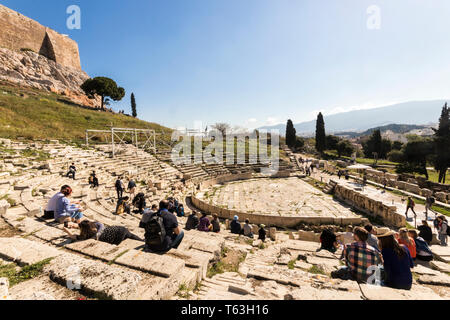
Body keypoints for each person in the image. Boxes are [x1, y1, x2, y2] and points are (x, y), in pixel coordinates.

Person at [68, 220, 143, 245]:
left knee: (129, 236)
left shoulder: (89, 236)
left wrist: (66, 230)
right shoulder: (95, 225)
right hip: (120, 229)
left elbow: (73, 236)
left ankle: (143, 242)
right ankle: (143, 241)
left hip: (116, 238)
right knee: (131, 235)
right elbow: (101, 224)